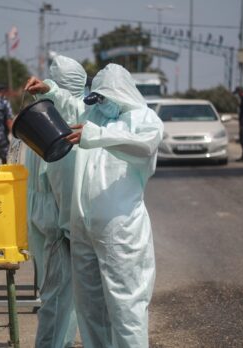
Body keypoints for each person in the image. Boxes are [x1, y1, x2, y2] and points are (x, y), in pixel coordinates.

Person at [44, 64, 163, 347]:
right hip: (82, 228)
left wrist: (98, 136)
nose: (100, 104)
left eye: (103, 97)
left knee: (126, 308)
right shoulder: (93, 116)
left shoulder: (143, 119)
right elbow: (70, 106)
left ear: (119, 92)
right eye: (95, 98)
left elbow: (144, 146)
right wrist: (50, 90)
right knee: (90, 310)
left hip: (120, 232)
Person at [22, 55, 86, 348]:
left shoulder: (40, 117)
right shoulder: (62, 120)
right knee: (59, 297)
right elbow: (65, 183)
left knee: (52, 292)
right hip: (59, 223)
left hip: (39, 216)